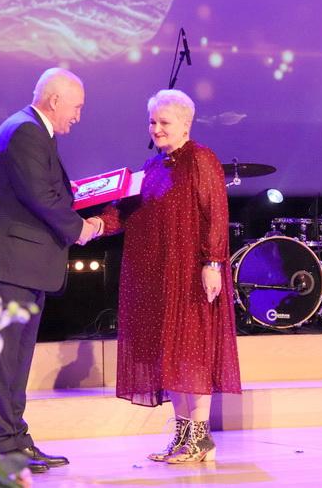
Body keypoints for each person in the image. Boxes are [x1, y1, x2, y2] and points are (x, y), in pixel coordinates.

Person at [0, 68, 102, 473]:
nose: (78, 116)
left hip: (23, 265)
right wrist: (80, 228)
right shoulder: (25, 130)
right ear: (55, 100)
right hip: (9, 264)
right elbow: (40, 195)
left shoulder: (35, 131)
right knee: (2, 360)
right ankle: (1, 445)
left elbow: (48, 190)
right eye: (76, 107)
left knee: (16, 360)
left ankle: (16, 440)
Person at [97, 89, 241, 463]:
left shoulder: (201, 158)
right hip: (159, 274)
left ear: (185, 124)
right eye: (152, 121)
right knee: (171, 355)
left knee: (193, 352)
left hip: (191, 271)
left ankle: (201, 437)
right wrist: (94, 224)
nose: (156, 128)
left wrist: (213, 263)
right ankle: (182, 436)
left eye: (164, 122)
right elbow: (125, 212)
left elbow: (215, 213)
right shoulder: (153, 167)